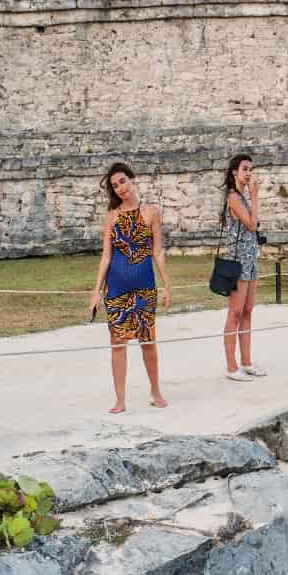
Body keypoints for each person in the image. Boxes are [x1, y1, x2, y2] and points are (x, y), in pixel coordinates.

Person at [88, 163, 172, 413]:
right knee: (118, 343)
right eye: (115, 185)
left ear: (132, 179)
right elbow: (105, 256)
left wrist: (167, 285)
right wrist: (96, 290)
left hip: (145, 286)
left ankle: (155, 390)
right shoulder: (112, 217)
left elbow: (157, 252)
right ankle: (120, 399)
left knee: (148, 341)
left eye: (122, 181)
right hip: (116, 288)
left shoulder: (151, 213)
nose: (120, 188)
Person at [219, 154, 265, 381]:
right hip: (238, 262)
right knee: (235, 313)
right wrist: (255, 197)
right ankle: (231, 366)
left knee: (247, 311)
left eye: (250, 169)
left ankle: (246, 362)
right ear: (234, 172)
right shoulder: (234, 197)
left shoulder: (242, 197)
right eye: (245, 169)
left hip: (250, 260)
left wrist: (251, 199)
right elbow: (251, 224)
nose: (248, 173)